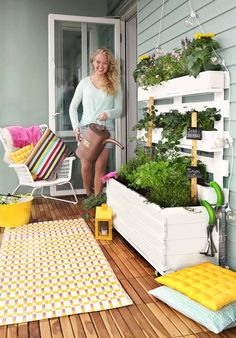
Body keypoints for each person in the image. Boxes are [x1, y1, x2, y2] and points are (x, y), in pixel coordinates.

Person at [69, 48, 122, 196]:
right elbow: (73, 108)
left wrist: (108, 114)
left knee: (100, 166)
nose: (101, 66)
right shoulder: (84, 83)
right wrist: (76, 128)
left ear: (109, 65)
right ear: (93, 62)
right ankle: (89, 195)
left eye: (105, 63)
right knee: (85, 165)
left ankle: (97, 200)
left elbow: (119, 109)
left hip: (106, 131)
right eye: (98, 62)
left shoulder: (114, 83)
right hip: (86, 130)